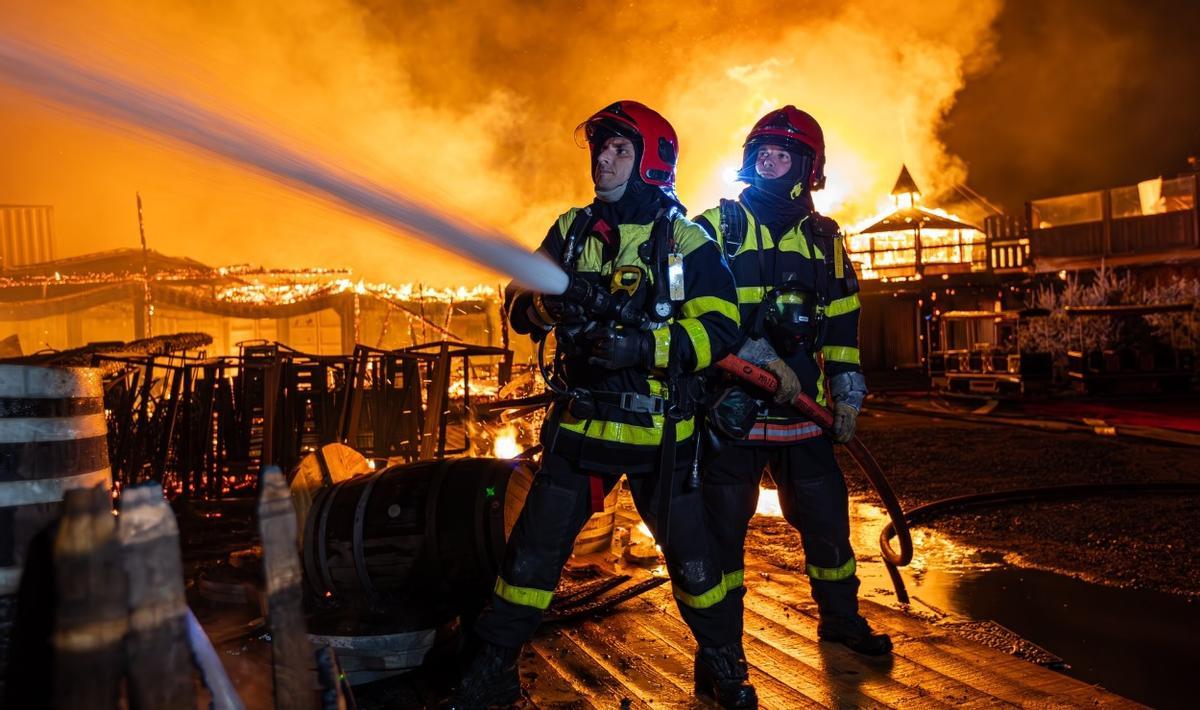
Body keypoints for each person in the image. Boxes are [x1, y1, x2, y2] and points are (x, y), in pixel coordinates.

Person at [446, 101, 751, 708]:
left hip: (662, 439)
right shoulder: (571, 230)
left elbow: (720, 330)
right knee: (530, 559)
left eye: (618, 150)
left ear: (652, 163)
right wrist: (543, 308)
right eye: (598, 149)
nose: (602, 161)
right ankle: (493, 668)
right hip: (580, 430)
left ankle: (724, 667)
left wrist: (640, 344)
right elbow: (519, 307)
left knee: (695, 565)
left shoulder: (686, 241)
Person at [694, 106, 892, 669]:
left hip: (803, 412)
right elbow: (690, 302)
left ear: (807, 168)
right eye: (760, 153)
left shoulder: (826, 242)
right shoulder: (719, 227)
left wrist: (848, 394)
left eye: (781, 154)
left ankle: (840, 618)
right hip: (730, 409)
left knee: (828, 519)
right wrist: (744, 352)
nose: (768, 162)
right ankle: (722, 642)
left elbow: (843, 326)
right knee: (722, 530)